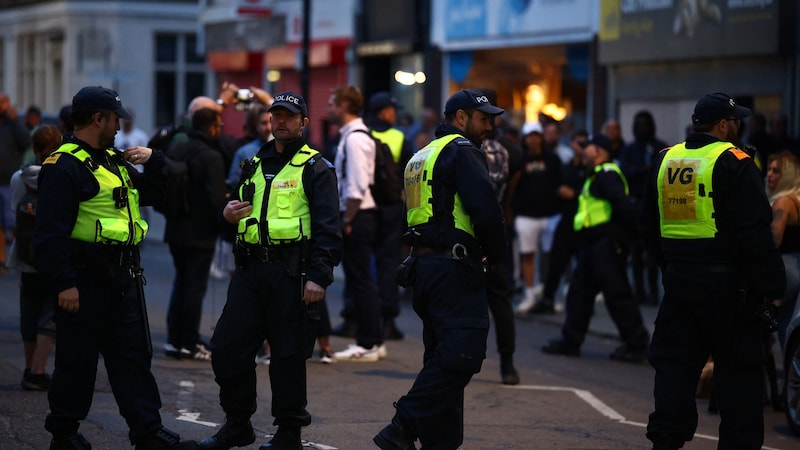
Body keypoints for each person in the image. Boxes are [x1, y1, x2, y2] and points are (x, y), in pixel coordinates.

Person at [34, 86, 197, 449]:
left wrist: (153, 160)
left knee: (132, 357)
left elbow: (155, 194)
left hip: (122, 276)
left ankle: (147, 431)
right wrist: (64, 284)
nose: (119, 127)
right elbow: (48, 234)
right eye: (115, 120)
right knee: (77, 360)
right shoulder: (63, 166)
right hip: (83, 278)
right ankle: (64, 433)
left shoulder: (113, 160)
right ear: (98, 119)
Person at [642, 93, 785, 450]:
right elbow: (755, 233)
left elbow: (648, 225)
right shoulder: (735, 161)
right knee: (738, 377)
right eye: (736, 121)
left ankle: (665, 438)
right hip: (729, 291)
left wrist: (669, 268)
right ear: (723, 125)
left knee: (675, 366)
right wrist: (771, 286)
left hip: (679, 284)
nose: (739, 127)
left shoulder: (665, 159)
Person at [198, 92, 341, 450]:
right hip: (249, 272)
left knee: (288, 356)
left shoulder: (316, 168)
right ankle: (238, 423)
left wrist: (319, 276)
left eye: (289, 116)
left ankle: (289, 432)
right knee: (227, 349)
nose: (281, 121)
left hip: (292, 274)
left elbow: (329, 229)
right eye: (276, 115)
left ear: (303, 123)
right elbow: (233, 216)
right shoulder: (253, 164)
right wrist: (226, 216)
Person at [373, 88, 506, 450]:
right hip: (454, 267)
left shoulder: (421, 156)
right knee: (462, 353)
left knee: (442, 358)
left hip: (425, 266)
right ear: (460, 118)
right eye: (483, 119)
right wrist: (498, 258)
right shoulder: (463, 151)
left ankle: (440, 443)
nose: (488, 127)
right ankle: (403, 425)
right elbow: (486, 209)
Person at [541, 134, 650, 362]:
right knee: (580, 293)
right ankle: (571, 341)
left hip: (606, 245)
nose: (582, 151)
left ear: (598, 152)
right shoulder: (597, 175)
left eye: (586, 148)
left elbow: (624, 208)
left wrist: (634, 238)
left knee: (617, 294)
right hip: (594, 244)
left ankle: (637, 344)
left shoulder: (608, 175)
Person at [163, 108, 228, 361]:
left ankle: (174, 339)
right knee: (194, 287)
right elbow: (215, 199)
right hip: (200, 232)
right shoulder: (212, 156)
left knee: (180, 283)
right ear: (212, 127)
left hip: (175, 227)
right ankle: (189, 342)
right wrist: (225, 226)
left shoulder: (179, 148)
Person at [329, 85, 385, 362]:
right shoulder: (352, 137)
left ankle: (368, 342)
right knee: (360, 280)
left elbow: (357, 186)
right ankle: (373, 339)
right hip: (359, 215)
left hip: (358, 216)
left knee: (361, 281)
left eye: (331, 102)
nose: (328, 107)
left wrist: (347, 219)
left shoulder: (355, 139)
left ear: (343, 106)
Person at [9, 124, 62, 391]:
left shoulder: (19, 177)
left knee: (29, 312)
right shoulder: (62, 176)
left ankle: (30, 368)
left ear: (35, 149)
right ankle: (39, 372)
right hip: (54, 255)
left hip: (25, 255)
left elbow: (14, 212)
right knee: (51, 314)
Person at [478, 87, 520, 385]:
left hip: (468, 234)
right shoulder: (512, 151)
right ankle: (507, 365)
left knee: (466, 301)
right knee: (500, 301)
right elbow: (511, 194)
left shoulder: (463, 148)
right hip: (498, 231)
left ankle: (463, 360)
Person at [365, 91, 415, 340]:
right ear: (384, 112)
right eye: (393, 110)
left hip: (365, 207)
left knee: (361, 264)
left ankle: (356, 317)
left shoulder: (361, 134)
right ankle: (387, 321)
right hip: (391, 208)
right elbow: (410, 175)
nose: (395, 114)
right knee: (388, 263)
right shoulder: (399, 137)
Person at [505, 121, 562, 314]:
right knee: (527, 255)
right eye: (530, 135)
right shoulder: (520, 159)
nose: (533, 139)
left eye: (536, 135)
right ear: (525, 138)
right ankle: (529, 295)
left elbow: (559, 182)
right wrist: (510, 209)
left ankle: (548, 296)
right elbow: (512, 186)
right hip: (526, 215)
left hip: (550, 215)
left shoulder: (552, 158)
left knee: (551, 257)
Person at [532, 129, 588, 314]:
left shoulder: (591, 169)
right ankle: (548, 299)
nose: (580, 149)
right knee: (556, 263)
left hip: (584, 223)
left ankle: (581, 302)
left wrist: (575, 193)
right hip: (566, 221)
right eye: (577, 144)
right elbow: (555, 185)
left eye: (584, 145)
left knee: (584, 266)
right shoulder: (566, 166)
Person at [618, 110, 668, 305]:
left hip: (656, 206)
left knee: (653, 254)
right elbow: (625, 173)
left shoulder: (659, 147)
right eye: (639, 124)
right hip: (636, 205)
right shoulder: (630, 149)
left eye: (646, 124)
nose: (643, 128)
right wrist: (643, 170)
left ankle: (654, 292)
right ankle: (639, 294)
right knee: (637, 253)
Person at [765, 150, 800, 348]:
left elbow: (774, 240)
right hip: (795, 268)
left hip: (784, 269)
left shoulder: (783, 201)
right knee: (787, 328)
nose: (769, 174)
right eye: (769, 169)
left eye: (776, 171)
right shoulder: (795, 200)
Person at [0, 92, 32, 274]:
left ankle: (21, 257)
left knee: (14, 222)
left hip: (10, 184)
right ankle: (2, 260)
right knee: (0, 224)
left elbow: (25, 141)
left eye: (3, 103)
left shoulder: (13, 126)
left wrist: (14, 121)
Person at [115, 108, 150, 172]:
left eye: (129, 117)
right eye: (125, 118)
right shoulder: (116, 136)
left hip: (137, 172)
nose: (127, 121)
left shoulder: (141, 137)